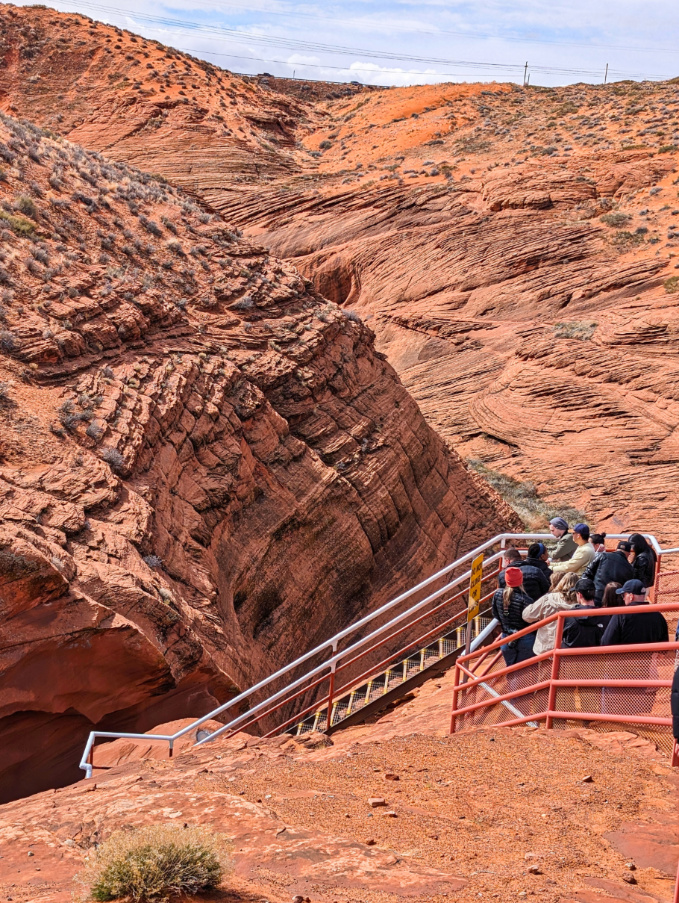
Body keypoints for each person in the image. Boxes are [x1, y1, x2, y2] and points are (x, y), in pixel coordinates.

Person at [601, 579, 669, 715]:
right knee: (640, 712)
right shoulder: (657, 615)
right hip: (644, 672)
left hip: (619, 672)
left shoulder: (621, 614)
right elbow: (664, 649)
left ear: (630, 596)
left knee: (614, 713)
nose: (622, 598)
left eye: (623, 595)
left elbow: (605, 643)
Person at [522, 572, 579, 654]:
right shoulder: (581, 604)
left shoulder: (547, 599)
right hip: (569, 651)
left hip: (545, 649)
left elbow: (526, 616)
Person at [491, 567, 536, 667]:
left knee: (511, 670)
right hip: (525, 638)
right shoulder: (526, 600)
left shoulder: (498, 594)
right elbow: (532, 620)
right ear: (521, 580)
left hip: (506, 637)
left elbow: (495, 614)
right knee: (526, 672)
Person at [583, 541, 634, 606]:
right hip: (614, 602)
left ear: (616, 549)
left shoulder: (602, 556)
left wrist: (586, 592)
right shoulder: (629, 568)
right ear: (628, 554)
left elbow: (587, 573)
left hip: (596, 597)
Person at [562, 578, 605, 648]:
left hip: (571, 657)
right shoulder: (604, 616)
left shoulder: (568, 615)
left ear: (579, 595)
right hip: (596, 657)